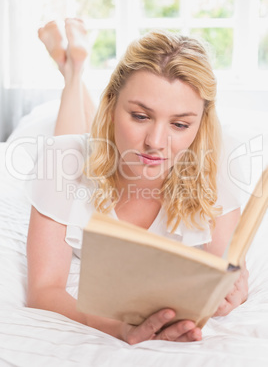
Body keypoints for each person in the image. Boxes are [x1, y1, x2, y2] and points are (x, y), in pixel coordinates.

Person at [26, 19, 249, 345]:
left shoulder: (216, 162)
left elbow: (230, 270)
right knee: (72, 141)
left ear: (201, 124)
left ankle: (72, 67)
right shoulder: (62, 161)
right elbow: (43, 291)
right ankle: (72, 72)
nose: (156, 142)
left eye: (180, 124)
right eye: (141, 116)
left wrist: (235, 292)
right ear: (113, 105)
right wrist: (116, 327)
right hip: (86, 156)